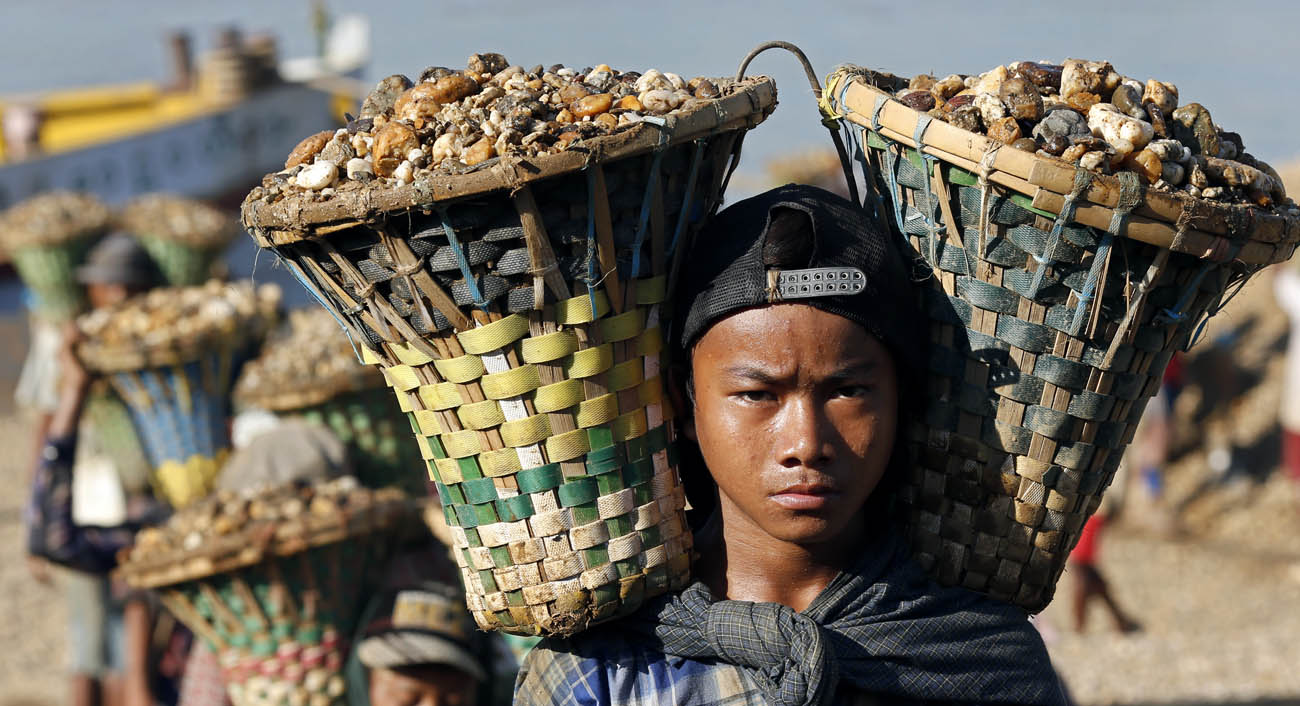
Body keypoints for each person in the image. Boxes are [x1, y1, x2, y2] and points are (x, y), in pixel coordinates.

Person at [515, 185, 1065, 705]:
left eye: (848, 391)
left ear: (902, 400)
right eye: (757, 394)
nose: (806, 443)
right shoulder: (602, 669)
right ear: (682, 406)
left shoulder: (983, 661)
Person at [24, 233, 165, 706]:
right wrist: (34, 520)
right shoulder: (73, 346)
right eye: (110, 285)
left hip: (138, 501)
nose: (119, 296)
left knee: (135, 623)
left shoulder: (153, 342)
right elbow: (45, 429)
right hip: (82, 500)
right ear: (90, 289)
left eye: (129, 286)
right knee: (88, 640)